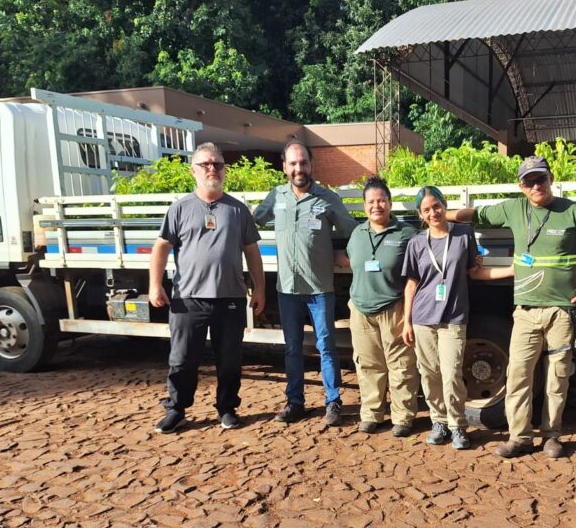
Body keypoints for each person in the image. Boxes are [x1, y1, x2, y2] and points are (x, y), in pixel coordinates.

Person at [448, 155, 576, 459]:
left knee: (557, 377)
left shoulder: (574, 211)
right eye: (529, 181)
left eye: (541, 178)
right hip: (525, 311)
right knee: (518, 375)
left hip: (562, 312)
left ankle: (552, 436)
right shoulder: (514, 208)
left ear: (551, 178)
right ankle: (520, 438)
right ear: (521, 186)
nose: (536, 185)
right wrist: (438, 215)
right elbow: (476, 215)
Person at [149, 142, 266, 433]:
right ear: (194, 171)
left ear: (224, 170)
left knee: (230, 360)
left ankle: (227, 408)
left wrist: (260, 289)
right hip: (188, 300)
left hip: (230, 298)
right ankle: (176, 410)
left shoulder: (238, 210)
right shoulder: (179, 209)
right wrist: (155, 285)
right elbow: (161, 247)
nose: (212, 169)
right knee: (182, 360)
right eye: (205, 164)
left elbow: (252, 252)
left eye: (217, 164)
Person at [402, 186, 515, 450]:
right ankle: (438, 421)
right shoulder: (417, 243)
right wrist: (406, 321)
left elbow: (476, 273)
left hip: (453, 317)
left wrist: (510, 270)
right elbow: (411, 284)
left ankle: (457, 425)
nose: (433, 212)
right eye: (427, 209)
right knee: (429, 374)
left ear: (445, 205)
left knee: (452, 372)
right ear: (421, 214)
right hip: (422, 318)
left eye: (437, 206)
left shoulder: (463, 236)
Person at [253, 142, 357, 427]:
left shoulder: (327, 198)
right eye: (293, 163)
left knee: (326, 346)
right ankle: (295, 403)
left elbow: (352, 230)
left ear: (312, 165)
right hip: (287, 289)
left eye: (304, 163)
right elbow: (251, 223)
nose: (299, 169)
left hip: (320, 289)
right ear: (285, 167)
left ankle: (333, 402)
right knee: (292, 348)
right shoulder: (276, 196)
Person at [344, 177, 419, 436]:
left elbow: (416, 272)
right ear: (364, 206)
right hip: (361, 308)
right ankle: (371, 414)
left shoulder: (406, 233)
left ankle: (403, 417)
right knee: (368, 365)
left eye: (381, 200)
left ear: (390, 203)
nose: (376, 206)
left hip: (394, 307)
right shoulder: (357, 233)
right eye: (371, 202)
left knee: (401, 366)